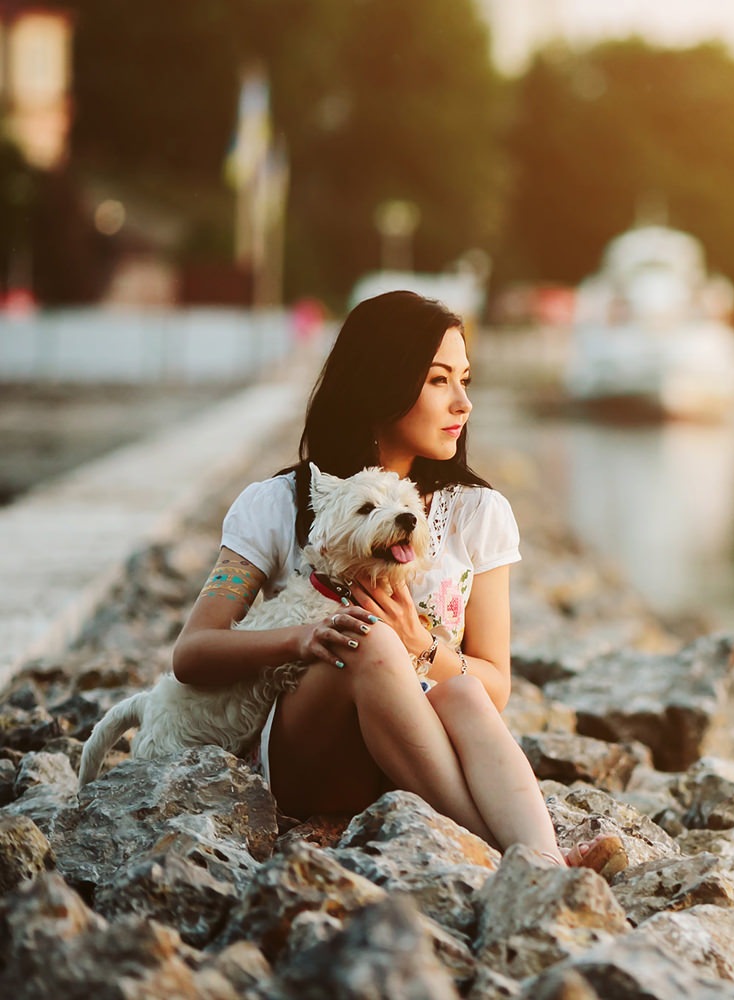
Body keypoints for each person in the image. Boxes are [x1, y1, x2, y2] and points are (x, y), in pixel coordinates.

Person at [172, 290, 597, 867]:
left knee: (466, 688)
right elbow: (193, 652)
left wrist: (422, 645)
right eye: (438, 381)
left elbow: (496, 683)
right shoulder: (280, 503)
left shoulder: (477, 512)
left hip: (418, 756)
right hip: (313, 763)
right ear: (381, 382)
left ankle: (541, 858)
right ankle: (497, 850)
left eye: (465, 380)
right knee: (367, 639)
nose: (463, 403)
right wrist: (303, 640)